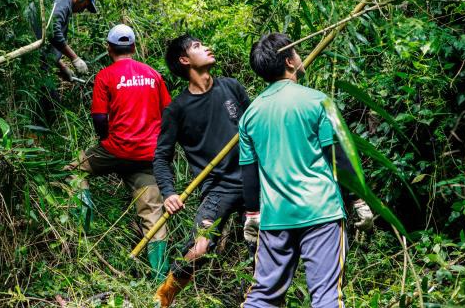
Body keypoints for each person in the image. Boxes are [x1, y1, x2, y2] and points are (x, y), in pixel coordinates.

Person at [240, 33, 362, 307]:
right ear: (289, 62)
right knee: (326, 295)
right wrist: (358, 200)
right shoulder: (317, 101)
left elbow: (248, 172)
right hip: (321, 212)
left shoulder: (251, 113)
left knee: (262, 296)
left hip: (275, 217)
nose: (300, 56)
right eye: (296, 52)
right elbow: (338, 157)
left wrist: (252, 215)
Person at [64, 24, 171, 281]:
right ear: (133, 47)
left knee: (74, 170)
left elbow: (100, 119)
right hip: (148, 155)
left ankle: (81, 229)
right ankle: (160, 280)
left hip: (115, 148)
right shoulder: (153, 75)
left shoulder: (106, 76)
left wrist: (107, 143)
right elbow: (169, 114)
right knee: (153, 215)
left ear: (109, 48)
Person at [153, 35, 250, 307]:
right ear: (185, 61)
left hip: (253, 181)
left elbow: (257, 127)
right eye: (197, 46)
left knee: (263, 246)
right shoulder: (178, 109)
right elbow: (162, 157)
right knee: (200, 249)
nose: (206, 48)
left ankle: (252, 299)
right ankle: (166, 294)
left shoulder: (231, 87)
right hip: (218, 188)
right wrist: (169, 193)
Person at [26, 0, 97, 125]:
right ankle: (35, 136)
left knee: (47, 103)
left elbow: (44, 37)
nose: (83, 11)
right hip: (32, 60)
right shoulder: (64, 0)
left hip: (31, 55)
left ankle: (34, 134)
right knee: (51, 105)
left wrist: (61, 66)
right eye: (85, 6)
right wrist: (74, 58)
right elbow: (52, 29)